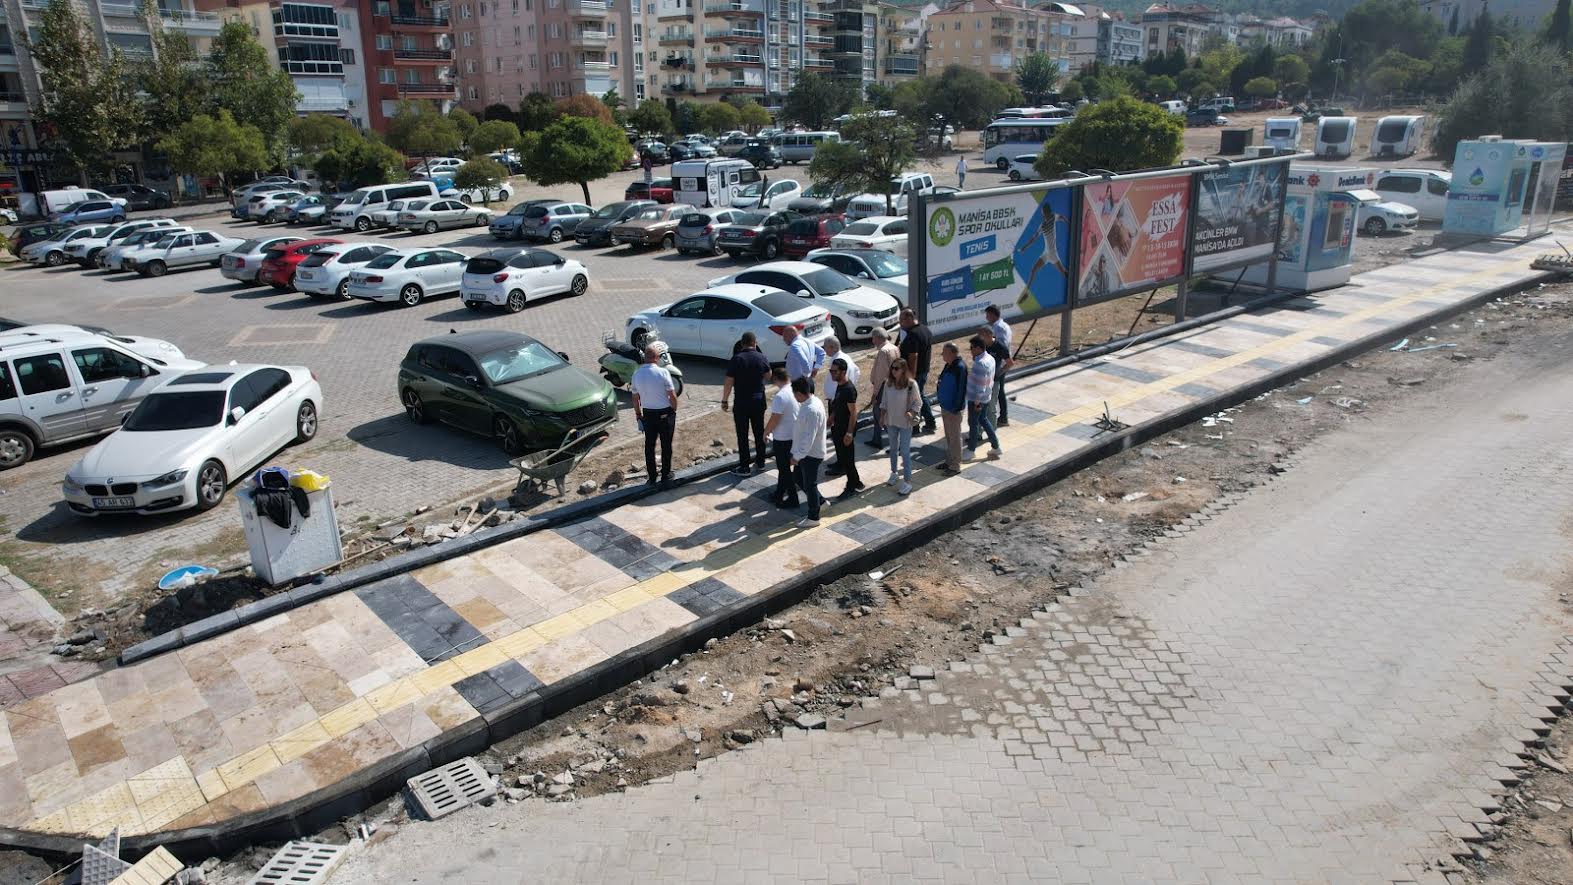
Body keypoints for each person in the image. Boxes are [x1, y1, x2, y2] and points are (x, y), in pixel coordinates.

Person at [721, 331, 770, 476]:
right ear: (755, 343)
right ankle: (760, 462)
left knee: (742, 435)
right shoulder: (762, 357)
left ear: (742, 344)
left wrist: (724, 400)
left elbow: (729, 382)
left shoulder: (736, 359)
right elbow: (769, 376)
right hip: (759, 400)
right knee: (759, 432)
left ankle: (744, 466)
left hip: (742, 402)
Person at [631, 344, 679, 488]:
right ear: (656, 358)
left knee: (649, 446)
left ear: (645, 358)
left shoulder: (636, 374)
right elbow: (672, 395)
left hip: (648, 414)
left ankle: (652, 476)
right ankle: (666, 474)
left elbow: (635, 398)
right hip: (665, 413)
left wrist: (638, 414)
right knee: (666, 445)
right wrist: (674, 410)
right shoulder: (663, 373)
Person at [789, 377, 827, 528]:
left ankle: (813, 516)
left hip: (810, 454)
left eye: (795, 394)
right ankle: (821, 502)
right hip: (806, 452)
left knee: (809, 484)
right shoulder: (812, 403)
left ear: (799, 393)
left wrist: (796, 456)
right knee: (798, 478)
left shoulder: (811, 410)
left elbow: (808, 438)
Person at [881, 358, 922, 496]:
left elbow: (918, 403)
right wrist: (882, 417)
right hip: (891, 421)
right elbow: (884, 402)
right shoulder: (888, 384)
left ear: (903, 370)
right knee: (893, 449)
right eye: (892, 368)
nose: (893, 371)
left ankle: (907, 481)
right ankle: (894, 473)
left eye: (896, 368)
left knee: (904, 452)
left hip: (905, 423)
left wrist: (911, 412)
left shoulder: (911, 385)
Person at [827, 358, 863, 499]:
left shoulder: (849, 389)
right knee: (843, 457)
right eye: (831, 371)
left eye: (834, 371)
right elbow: (838, 404)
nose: (831, 374)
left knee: (848, 459)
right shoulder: (840, 385)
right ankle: (857, 482)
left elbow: (853, 412)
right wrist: (832, 417)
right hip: (838, 427)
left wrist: (849, 433)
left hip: (845, 429)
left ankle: (851, 487)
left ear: (843, 371)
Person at [763, 367, 798, 507]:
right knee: (784, 468)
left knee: (784, 469)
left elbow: (775, 418)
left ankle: (792, 498)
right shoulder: (794, 390)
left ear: (775, 379)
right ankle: (779, 492)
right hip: (794, 435)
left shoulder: (780, 396)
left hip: (783, 438)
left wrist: (766, 432)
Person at [897, 309, 936, 435]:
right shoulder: (925, 329)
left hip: (915, 373)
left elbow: (913, 356)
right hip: (923, 370)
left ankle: (915, 426)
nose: (900, 324)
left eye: (901, 320)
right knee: (920, 396)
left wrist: (911, 377)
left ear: (909, 319)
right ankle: (930, 422)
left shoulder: (913, 335)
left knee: (913, 400)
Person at [965, 335, 1001, 460]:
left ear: (979, 348)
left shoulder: (980, 364)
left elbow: (980, 384)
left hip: (977, 399)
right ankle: (996, 446)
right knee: (984, 420)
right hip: (986, 396)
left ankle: (971, 450)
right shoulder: (990, 358)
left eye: (972, 348)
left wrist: (977, 402)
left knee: (974, 424)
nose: (970, 350)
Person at [935, 343, 967, 476]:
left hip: (953, 409)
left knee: (954, 437)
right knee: (949, 437)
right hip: (946, 406)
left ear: (952, 353)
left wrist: (956, 407)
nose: (942, 354)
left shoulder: (960, 367)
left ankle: (955, 466)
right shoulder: (949, 365)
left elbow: (961, 389)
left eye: (944, 352)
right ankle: (949, 461)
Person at [866, 326, 899, 450]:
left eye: (873, 338)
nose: (872, 341)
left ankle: (895, 443)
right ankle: (876, 439)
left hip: (883, 388)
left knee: (880, 415)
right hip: (893, 386)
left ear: (877, 338)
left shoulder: (883, 352)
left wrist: (874, 394)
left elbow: (880, 376)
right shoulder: (894, 348)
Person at [978, 324, 1012, 429]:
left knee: (991, 407)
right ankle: (979, 432)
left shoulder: (1000, 347)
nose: (980, 338)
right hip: (982, 380)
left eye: (982, 336)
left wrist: (1000, 372)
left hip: (994, 381)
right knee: (979, 407)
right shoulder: (982, 346)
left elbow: (1010, 363)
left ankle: (992, 430)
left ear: (989, 335)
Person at [781, 323, 825, 390]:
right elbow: (821, 353)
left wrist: (805, 375)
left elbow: (804, 361)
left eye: (784, 337)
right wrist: (816, 368)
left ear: (790, 335)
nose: (783, 340)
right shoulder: (808, 341)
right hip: (808, 380)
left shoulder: (795, 345)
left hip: (800, 383)